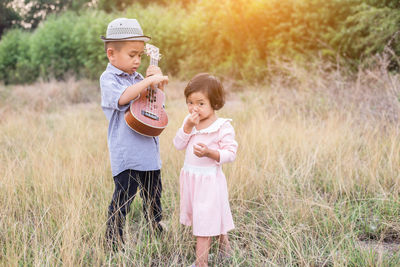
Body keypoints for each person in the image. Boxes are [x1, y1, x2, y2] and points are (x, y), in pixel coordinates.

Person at [99, 18, 169, 250]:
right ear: (111, 54)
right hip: (127, 156)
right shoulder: (109, 79)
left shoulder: (140, 79)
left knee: (154, 198)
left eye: (140, 55)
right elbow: (123, 98)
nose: (138, 60)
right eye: (132, 55)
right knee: (123, 200)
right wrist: (149, 81)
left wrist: (157, 86)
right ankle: (113, 243)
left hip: (148, 153)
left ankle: (157, 232)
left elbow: (155, 107)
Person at [173, 73, 238, 266]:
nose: (194, 108)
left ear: (215, 103)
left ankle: (201, 263)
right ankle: (224, 247)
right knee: (207, 217)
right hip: (192, 180)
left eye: (200, 103)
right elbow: (178, 145)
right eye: (190, 102)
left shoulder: (222, 127)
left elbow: (230, 153)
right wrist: (186, 127)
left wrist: (211, 152)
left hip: (209, 182)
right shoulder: (191, 122)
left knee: (204, 225)